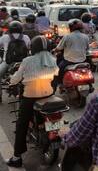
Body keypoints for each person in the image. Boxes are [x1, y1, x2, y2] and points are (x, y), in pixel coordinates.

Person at [7, 36, 58, 168]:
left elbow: (15, 79)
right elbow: (56, 73)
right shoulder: (53, 59)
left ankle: (16, 157)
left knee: (21, 125)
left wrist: (11, 81)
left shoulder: (27, 61)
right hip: (48, 95)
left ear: (33, 48)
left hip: (30, 97)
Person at [54, 19, 89, 85]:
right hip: (82, 60)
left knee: (58, 71)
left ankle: (60, 84)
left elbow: (59, 48)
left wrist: (54, 50)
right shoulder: (85, 37)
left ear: (70, 28)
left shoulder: (67, 36)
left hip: (69, 61)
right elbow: (87, 49)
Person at [0, 21, 30, 89]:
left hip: (8, 62)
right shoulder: (26, 37)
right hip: (24, 62)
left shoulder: (5, 37)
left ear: (9, 29)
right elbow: (29, 47)